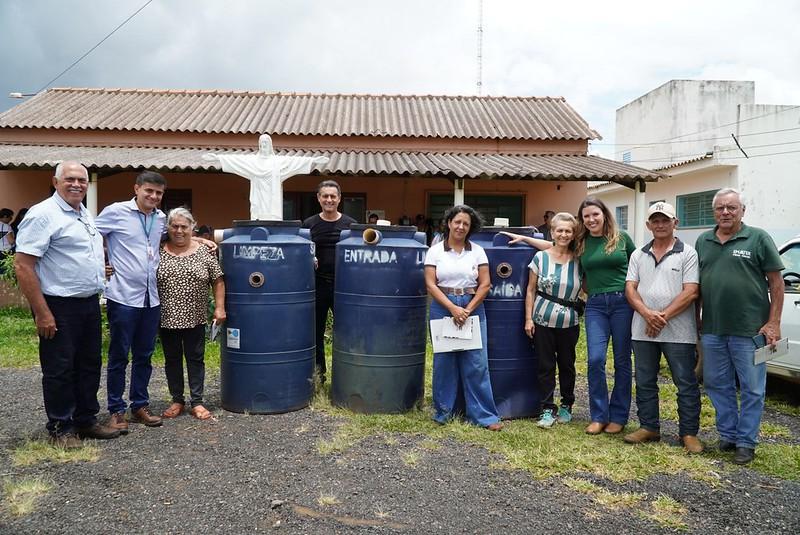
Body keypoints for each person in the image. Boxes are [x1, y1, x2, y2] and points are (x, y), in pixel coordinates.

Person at [14, 161, 120, 448]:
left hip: (87, 304)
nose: (77, 184)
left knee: (88, 365)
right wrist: (42, 312)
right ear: (55, 181)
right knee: (60, 368)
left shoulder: (82, 213)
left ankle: (85, 421)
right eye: (70, 179)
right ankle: (61, 427)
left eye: (82, 180)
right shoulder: (44, 215)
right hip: (58, 306)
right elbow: (23, 265)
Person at [695, 188, 784, 465]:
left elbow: (776, 283)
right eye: (720, 208)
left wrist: (773, 322)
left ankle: (746, 442)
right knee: (716, 383)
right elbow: (696, 286)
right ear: (714, 212)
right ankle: (729, 434)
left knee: (752, 388)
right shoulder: (703, 241)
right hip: (713, 329)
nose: (725, 212)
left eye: (731, 208)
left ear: (742, 210)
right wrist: (696, 321)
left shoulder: (758, 238)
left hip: (751, 330)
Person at [623, 202, 703, 453]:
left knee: (685, 382)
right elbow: (630, 289)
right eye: (655, 221)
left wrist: (661, 317)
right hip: (642, 329)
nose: (660, 225)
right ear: (648, 225)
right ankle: (649, 427)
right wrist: (647, 314)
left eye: (665, 220)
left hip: (679, 331)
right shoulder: (638, 254)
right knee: (645, 380)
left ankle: (688, 433)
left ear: (675, 223)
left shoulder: (687, 253)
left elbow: (691, 291)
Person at [96, 170, 169, 432]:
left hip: (151, 298)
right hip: (123, 296)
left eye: (158, 193)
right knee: (119, 355)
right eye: (149, 190)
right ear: (136, 188)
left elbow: (167, 240)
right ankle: (116, 410)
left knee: (144, 355)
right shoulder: (116, 212)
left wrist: (198, 239)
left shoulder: (160, 218)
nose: (153, 196)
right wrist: (98, 264)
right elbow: (91, 236)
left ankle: (139, 404)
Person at [424, 205, 502, 431]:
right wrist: (452, 308)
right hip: (442, 306)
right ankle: (443, 412)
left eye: (465, 224)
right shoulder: (435, 251)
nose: (460, 226)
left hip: (472, 306)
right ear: (449, 223)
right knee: (444, 362)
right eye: (457, 222)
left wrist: (467, 309)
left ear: (470, 228)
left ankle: (484, 416)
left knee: (476, 363)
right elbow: (431, 283)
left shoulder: (477, 251)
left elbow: (485, 284)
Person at [157, 208, 226, 421]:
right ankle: (177, 399)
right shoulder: (158, 249)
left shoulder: (204, 251)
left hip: (195, 316)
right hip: (166, 316)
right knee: (172, 360)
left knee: (196, 359)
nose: (179, 230)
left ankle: (197, 401)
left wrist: (219, 308)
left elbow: (218, 280)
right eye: (174, 226)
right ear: (168, 227)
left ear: (192, 227)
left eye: (184, 227)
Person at [576, 197, 636, 435]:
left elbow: (639, 266)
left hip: (623, 302)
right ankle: (599, 416)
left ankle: (619, 416)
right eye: (586, 216)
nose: (591, 220)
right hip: (596, 306)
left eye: (595, 215)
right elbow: (553, 248)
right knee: (595, 360)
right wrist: (524, 238)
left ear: (604, 215)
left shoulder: (622, 239)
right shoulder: (580, 243)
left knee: (622, 361)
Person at [302, 180, 357, 382]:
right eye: (325, 196)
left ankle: (346, 375)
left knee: (347, 330)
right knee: (315, 331)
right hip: (317, 285)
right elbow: (303, 251)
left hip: (344, 286)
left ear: (339, 198)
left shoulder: (351, 224)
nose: (329, 200)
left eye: (333, 196)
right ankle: (320, 374)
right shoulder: (309, 224)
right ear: (318, 198)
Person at [203, 134, 329, 220]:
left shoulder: (278, 162)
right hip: (258, 195)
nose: (263, 145)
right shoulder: (253, 162)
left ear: (270, 145)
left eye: (266, 143)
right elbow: (237, 161)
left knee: (272, 215)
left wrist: (313, 161)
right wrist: (218, 158)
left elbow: (294, 162)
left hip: (272, 199)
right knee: (258, 213)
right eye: (261, 143)